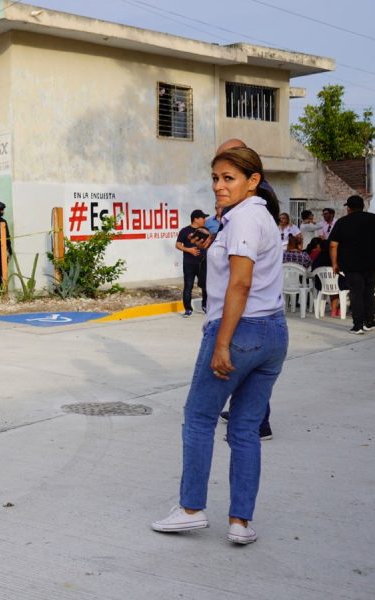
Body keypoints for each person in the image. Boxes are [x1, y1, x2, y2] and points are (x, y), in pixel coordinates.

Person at [152, 146, 287, 546]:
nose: (219, 186)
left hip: (239, 331)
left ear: (253, 180)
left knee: (198, 418)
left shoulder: (245, 219)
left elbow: (240, 284)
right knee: (245, 429)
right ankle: (240, 523)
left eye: (228, 178)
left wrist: (222, 343)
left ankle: (191, 510)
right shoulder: (256, 215)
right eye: (215, 178)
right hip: (273, 332)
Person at [329, 195, 375, 334]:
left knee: (356, 293)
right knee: (369, 292)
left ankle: (358, 326)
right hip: (372, 263)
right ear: (363, 206)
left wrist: (334, 263)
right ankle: (369, 321)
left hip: (351, 265)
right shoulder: (374, 219)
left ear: (348, 208)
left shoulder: (342, 222)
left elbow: (333, 245)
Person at [176, 209, 209, 317]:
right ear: (195, 219)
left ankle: (205, 305)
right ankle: (188, 309)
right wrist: (189, 250)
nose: (205, 219)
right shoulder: (185, 231)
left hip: (202, 263)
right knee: (188, 286)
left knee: (205, 286)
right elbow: (178, 245)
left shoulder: (205, 230)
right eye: (203, 218)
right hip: (189, 263)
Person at [310, 239, 349, 318]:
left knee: (334, 284)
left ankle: (333, 310)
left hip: (321, 285)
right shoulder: (336, 258)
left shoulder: (318, 258)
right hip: (337, 285)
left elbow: (313, 270)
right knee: (345, 283)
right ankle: (341, 309)